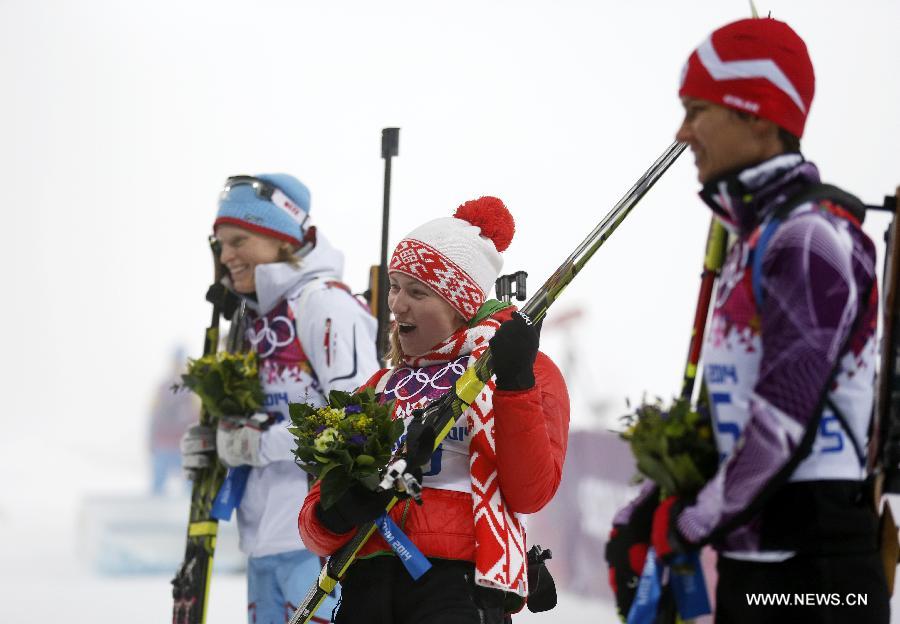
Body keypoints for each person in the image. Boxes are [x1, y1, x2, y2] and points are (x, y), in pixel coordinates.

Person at [607, 17, 889, 623]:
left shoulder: (809, 240)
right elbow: (735, 414)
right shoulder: (754, 238)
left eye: (697, 109)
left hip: (817, 576)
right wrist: (653, 503)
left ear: (757, 116)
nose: (683, 132)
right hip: (756, 562)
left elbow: (783, 417)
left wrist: (688, 521)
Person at [298, 196, 570, 623]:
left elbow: (530, 493)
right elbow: (314, 525)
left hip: (456, 585)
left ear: (459, 304)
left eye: (417, 292)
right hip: (367, 582)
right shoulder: (380, 386)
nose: (396, 304)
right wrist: (336, 510)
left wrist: (516, 385)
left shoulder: (515, 366)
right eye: (395, 286)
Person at [181, 173, 380, 624]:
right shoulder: (253, 317)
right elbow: (257, 414)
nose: (225, 255)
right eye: (220, 243)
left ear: (279, 236)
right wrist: (214, 442)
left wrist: (257, 444)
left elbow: (359, 424)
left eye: (238, 240)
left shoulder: (324, 305)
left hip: (315, 535)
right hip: (263, 535)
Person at [148, 345, 198, 495]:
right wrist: (151, 443)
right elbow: (153, 417)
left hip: (184, 447)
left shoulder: (192, 390)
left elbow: (197, 418)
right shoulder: (163, 388)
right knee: (158, 488)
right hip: (163, 445)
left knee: (190, 489)